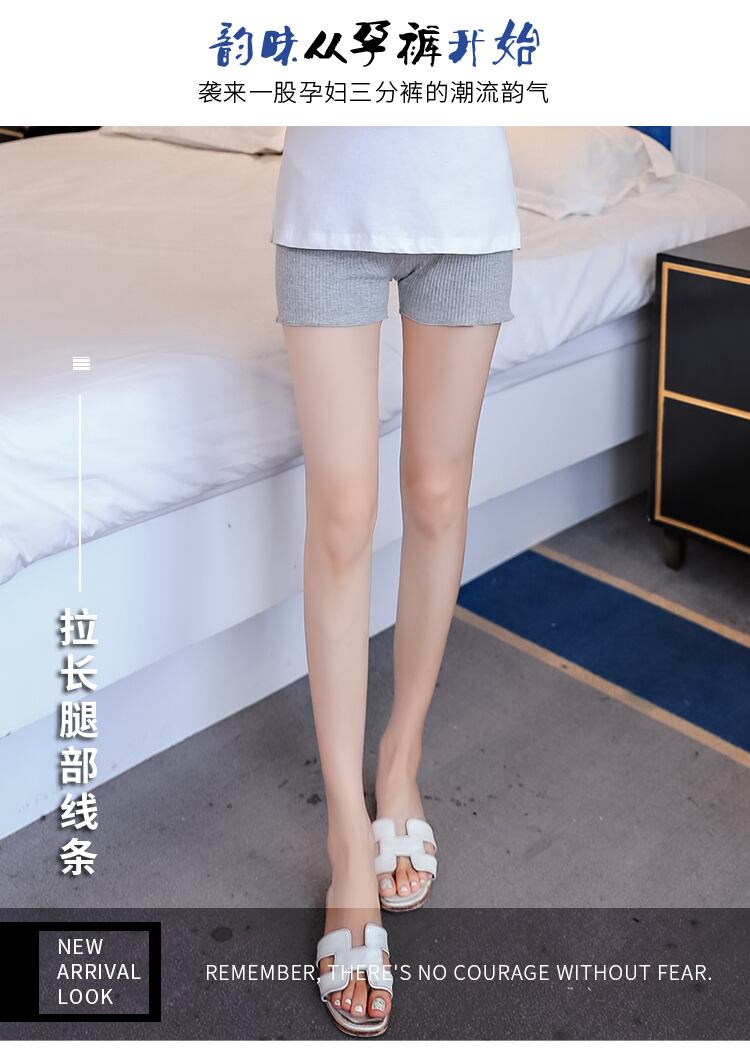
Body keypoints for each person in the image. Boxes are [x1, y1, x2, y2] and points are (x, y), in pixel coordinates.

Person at [270, 125, 521, 1037]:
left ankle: (399, 759)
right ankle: (348, 835)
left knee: (437, 493)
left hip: (465, 204)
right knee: (342, 514)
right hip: (329, 204)